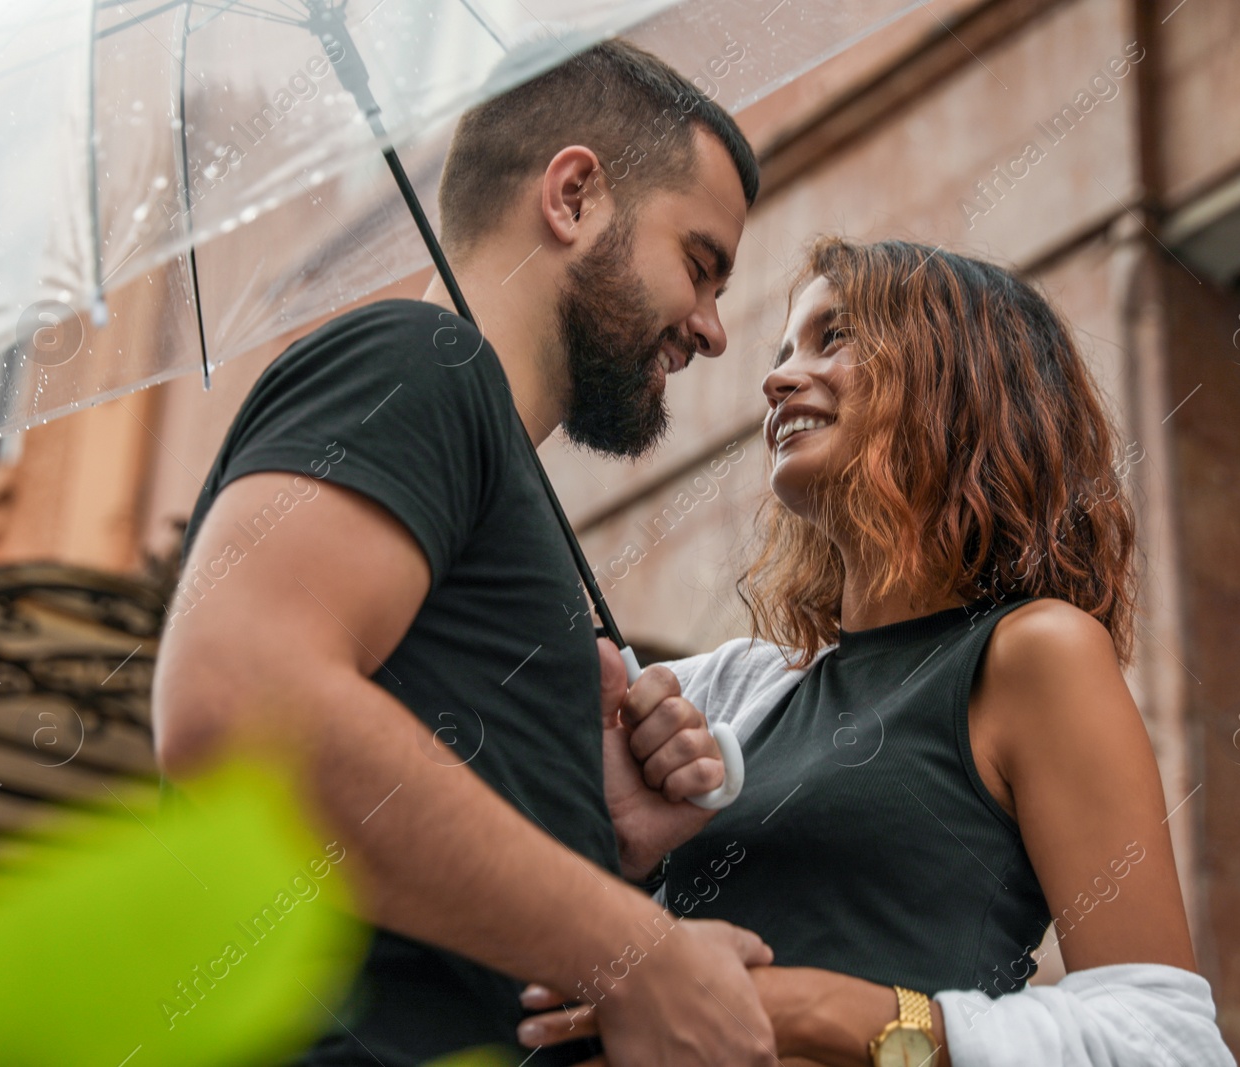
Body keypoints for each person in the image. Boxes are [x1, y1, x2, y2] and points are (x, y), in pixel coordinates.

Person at [151, 40, 778, 1067]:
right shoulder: (414, 363)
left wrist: (593, 816)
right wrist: (639, 953)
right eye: (699, 263)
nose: (711, 329)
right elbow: (235, 702)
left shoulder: (471, 433)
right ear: (573, 196)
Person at [516, 238, 1237, 1065]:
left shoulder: (1032, 652)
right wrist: (611, 850)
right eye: (785, 348)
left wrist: (815, 1007)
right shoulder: (732, 689)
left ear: (960, 377)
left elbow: (1166, 1042)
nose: (778, 377)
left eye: (837, 336)